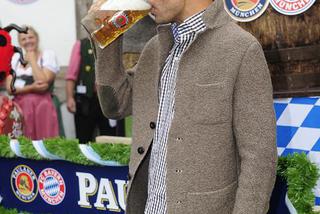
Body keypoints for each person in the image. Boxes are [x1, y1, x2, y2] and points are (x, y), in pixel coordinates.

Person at [83, 0, 278, 213]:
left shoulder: (241, 48)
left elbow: (259, 158)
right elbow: (115, 105)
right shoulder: (154, 48)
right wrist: (107, 32)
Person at [66, 38, 125, 144]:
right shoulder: (81, 44)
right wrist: (70, 97)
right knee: (83, 138)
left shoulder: (116, 41)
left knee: (111, 138)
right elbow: (71, 75)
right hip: (86, 100)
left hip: (110, 99)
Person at [6, 26, 59, 140]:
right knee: (22, 141)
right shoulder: (14, 59)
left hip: (42, 106)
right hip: (19, 108)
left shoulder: (47, 55)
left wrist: (33, 60)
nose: (28, 41)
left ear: (37, 38)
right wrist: (32, 87)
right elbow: (10, 89)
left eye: (31, 37)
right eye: (23, 39)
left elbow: (43, 81)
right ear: (20, 42)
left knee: (44, 140)